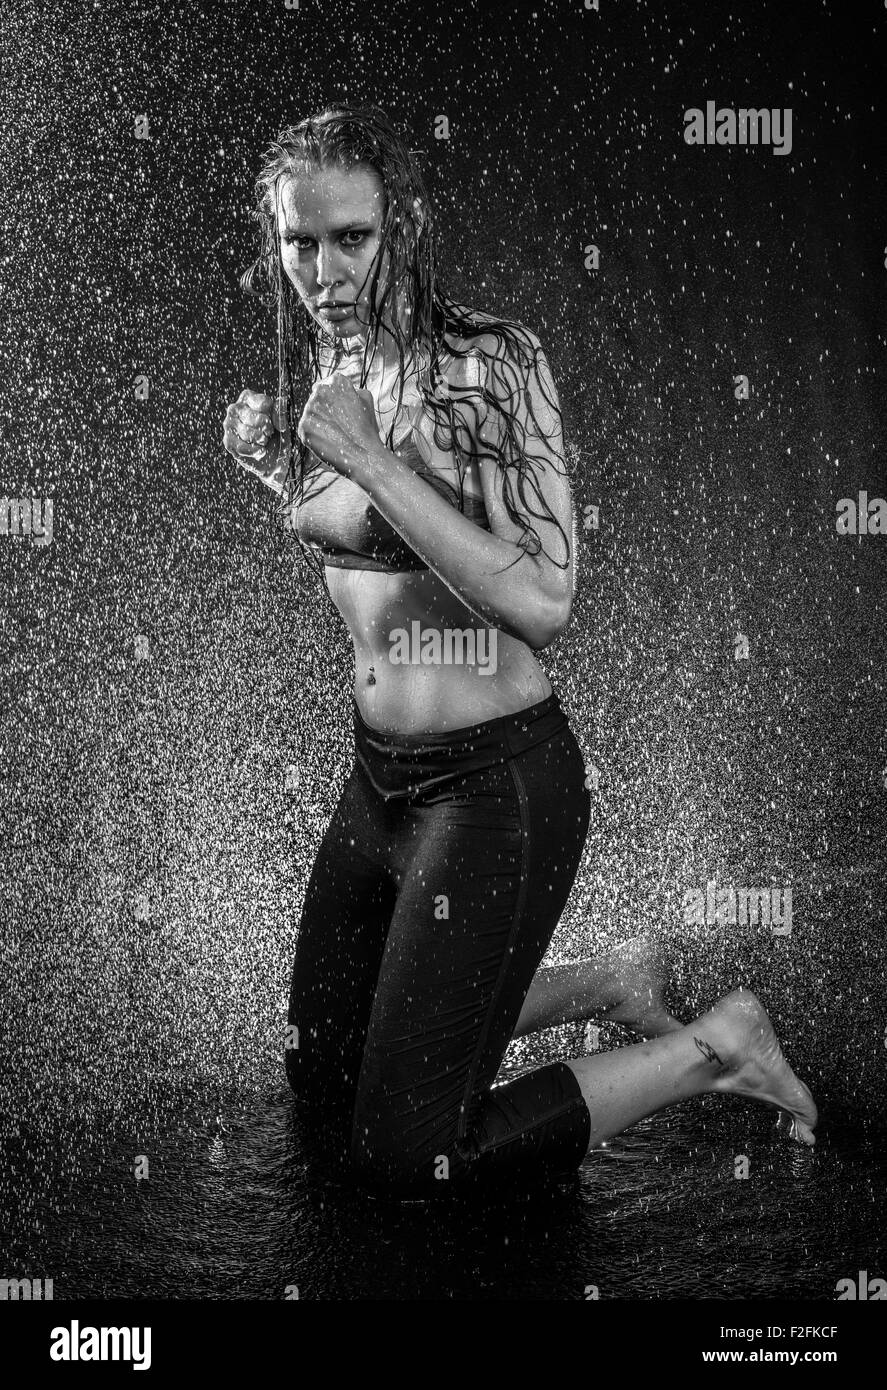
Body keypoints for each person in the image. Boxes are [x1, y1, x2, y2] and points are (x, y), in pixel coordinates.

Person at [223, 105, 817, 1199]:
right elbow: (382, 558)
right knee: (321, 1085)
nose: (323, 269)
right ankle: (605, 979)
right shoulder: (325, 363)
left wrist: (357, 455)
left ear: (402, 226)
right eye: (299, 242)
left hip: (495, 785)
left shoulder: (491, 365)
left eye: (349, 237)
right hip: (379, 779)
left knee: (409, 1153)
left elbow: (544, 599)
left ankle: (715, 1048)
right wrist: (282, 475)